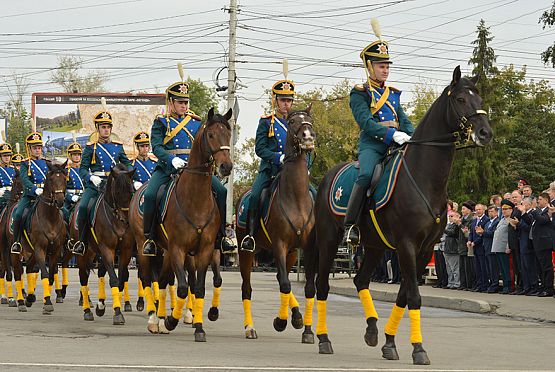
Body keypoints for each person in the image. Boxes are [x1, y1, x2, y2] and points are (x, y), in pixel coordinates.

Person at [142, 64, 233, 256]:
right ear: (171, 102)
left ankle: (221, 236)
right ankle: (150, 237)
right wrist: (170, 159)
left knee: (222, 191)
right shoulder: (161, 122)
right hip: (168, 168)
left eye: (186, 102)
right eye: (180, 102)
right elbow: (156, 146)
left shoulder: (196, 122)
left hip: (194, 169)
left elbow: (205, 146)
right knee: (151, 195)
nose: (184, 106)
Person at [341, 19, 414, 246]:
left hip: (395, 144)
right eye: (381, 66)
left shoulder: (393, 94)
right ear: (370, 67)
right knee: (365, 175)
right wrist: (391, 135)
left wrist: (412, 136)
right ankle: (351, 225)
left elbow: (404, 119)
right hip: (373, 144)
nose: (386, 70)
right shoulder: (359, 93)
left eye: (387, 66)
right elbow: (366, 122)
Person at [240, 61, 298, 252]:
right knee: (255, 196)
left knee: (314, 194)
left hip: (293, 173)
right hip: (270, 171)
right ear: (275, 101)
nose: (286, 104)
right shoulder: (266, 122)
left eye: (289, 100)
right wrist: (277, 158)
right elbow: (260, 149)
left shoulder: (297, 123)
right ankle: (250, 235)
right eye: (282, 100)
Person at [71, 99, 132, 256]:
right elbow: (83, 169)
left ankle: (134, 239)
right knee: (84, 207)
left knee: (129, 206)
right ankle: (82, 241)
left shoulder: (118, 147)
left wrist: (131, 177)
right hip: (96, 185)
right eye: (103, 127)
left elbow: (128, 165)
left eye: (108, 127)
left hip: (114, 185)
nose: (106, 130)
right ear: (97, 128)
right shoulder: (91, 148)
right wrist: (91, 178)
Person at [10, 131, 49, 254]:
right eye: (34, 148)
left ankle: (66, 240)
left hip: (46, 196)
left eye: (39, 148)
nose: (37, 150)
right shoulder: (25, 163)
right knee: (18, 214)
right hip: (30, 196)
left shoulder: (47, 163)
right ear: (30, 149)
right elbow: (25, 180)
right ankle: (16, 242)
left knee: (63, 213)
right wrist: (34, 189)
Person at [521, 192, 554, 297]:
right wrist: (524, 213)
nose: (538, 201)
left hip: (544, 243)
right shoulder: (539, 211)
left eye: (540, 199)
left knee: (546, 267)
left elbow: (542, 220)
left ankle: (548, 288)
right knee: (540, 267)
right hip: (537, 243)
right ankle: (543, 287)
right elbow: (531, 222)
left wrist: (534, 210)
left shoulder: (549, 210)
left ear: (546, 200)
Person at [491, 199, 513, 294]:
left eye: (506, 209)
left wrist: (508, 246)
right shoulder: (502, 219)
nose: (504, 211)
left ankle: (508, 286)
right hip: (498, 247)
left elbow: (510, 235)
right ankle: (505, 285)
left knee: (506, 268)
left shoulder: (511, 220)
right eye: (503, 209)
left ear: (511, 209)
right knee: (502, 269)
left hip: (504, 248)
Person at [468, 203, 489, 292]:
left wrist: (475, 242)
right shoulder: (474, 221)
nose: (478, 211)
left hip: (481, 246)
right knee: (477, 267)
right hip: (474, 247)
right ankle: (479, 284)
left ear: (483, 210)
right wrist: (469, 240)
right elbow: (471, 233)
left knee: (483, 267)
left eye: (479, 209)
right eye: (476, 210)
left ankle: (484, 285)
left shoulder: (486, 220)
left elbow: (482, 234)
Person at [62, 142, 84, 224]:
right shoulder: (65, 171)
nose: (77, 156)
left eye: (78, 154)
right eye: (74, 154)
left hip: (83, 197)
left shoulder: (85, 170)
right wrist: (70, 197)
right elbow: (62, 188)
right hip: (70, 200)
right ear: (70, 156)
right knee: (63, 213)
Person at [0, 143, 16, 211]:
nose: (7, 157)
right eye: (4, 156)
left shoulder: (14, 169)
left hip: (13, 193)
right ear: (0, 157)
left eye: (9, 155)